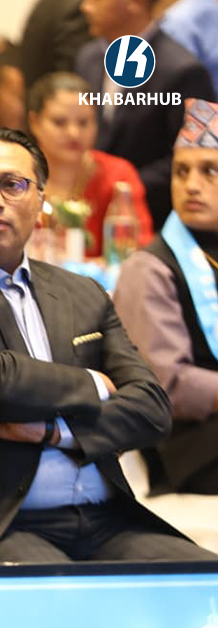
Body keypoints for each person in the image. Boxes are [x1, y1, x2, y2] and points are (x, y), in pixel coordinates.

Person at [0, 125, 216, 564]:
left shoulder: (82, 292)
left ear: (39, 203)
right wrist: (95, 383)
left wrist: (56, 431)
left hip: (104, 518)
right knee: (60, 591)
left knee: (203, 579)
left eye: (13, 185)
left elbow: (152, 408)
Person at [113, 98, 218, 495]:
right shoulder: (150, 267)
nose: (191, 185)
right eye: (181, 171)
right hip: (188, 446)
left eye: (210, 171)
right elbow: (164, 384)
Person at [76, 0, 216, 230]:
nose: (85, 7)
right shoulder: (87, 58)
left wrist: (122, 184)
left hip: (155, 221)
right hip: (88, 216)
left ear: (134, 3)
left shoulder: (183, 70)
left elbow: (198, 155)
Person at [27, 71, 152, 257]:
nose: (74, 133)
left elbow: (138, 250)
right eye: (60, 122)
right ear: (35, 122)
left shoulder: (118, 175)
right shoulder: (19, 174)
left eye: (84, 123)